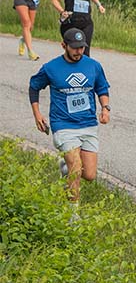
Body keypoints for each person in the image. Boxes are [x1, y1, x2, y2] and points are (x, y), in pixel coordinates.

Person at [29, 27, 110, 210]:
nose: (78, 51)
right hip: (63, 125)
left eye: (81, 47)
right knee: (75, 164)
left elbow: (102, 88)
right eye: (74, 48)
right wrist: (37, 114)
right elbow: (34, 86)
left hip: (88, 124)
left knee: (89, 174)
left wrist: (105, 108)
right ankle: (72, 215)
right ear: (63, 45)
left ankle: (65, 168)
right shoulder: (51, 68)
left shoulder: (93, 66)